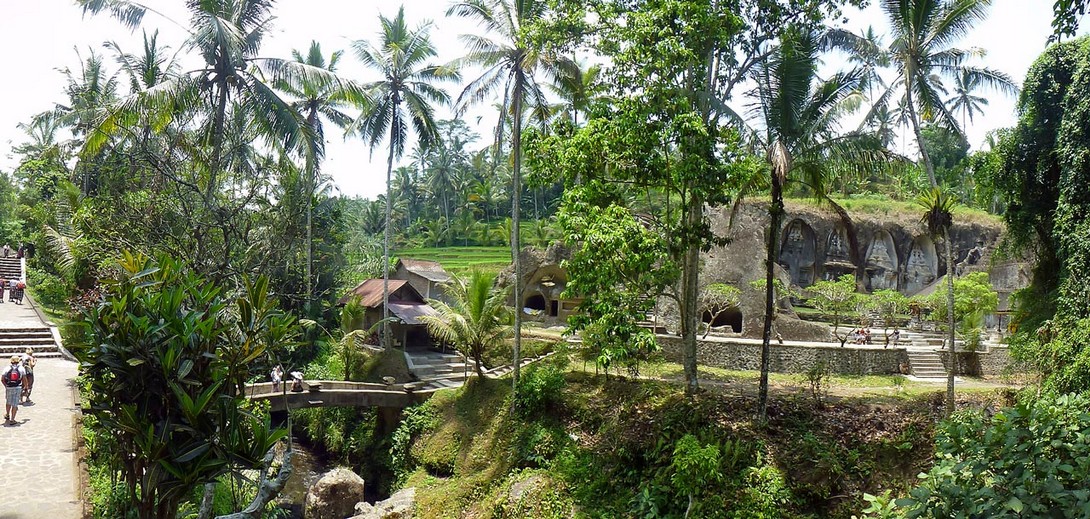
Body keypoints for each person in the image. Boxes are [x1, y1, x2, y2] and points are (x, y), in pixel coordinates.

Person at [3, 356, 25, 425]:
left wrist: (6, 386)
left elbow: (2, 379)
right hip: (18, 387)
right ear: (18, 361)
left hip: (9, 387)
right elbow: (24, 379)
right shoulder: (21, 368)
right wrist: (26, 387)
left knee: (8, 401)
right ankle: (12, 419)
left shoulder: (7, 368)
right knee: (15, 403)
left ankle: (7, 414)